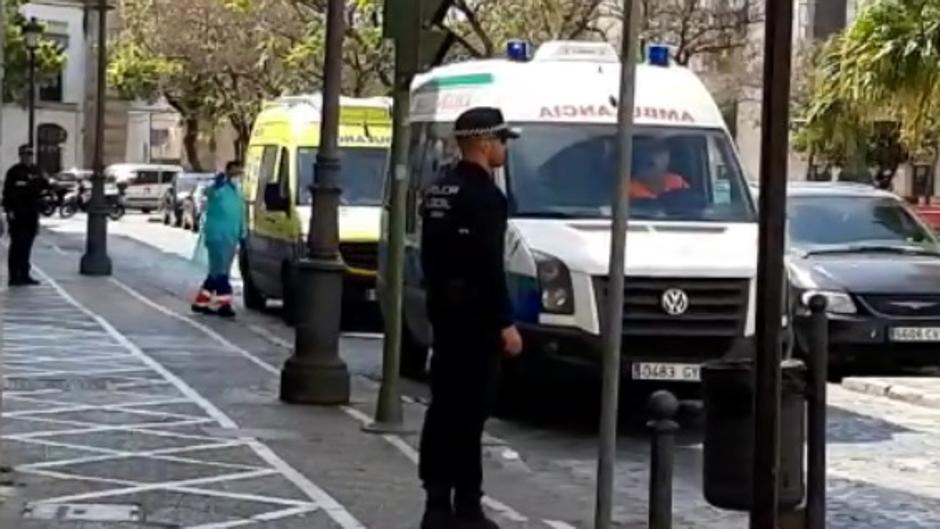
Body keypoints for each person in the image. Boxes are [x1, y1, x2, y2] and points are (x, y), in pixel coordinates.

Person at [418, 107, 524, 529]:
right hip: (476, 322)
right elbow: (488, 266)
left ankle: (436, 502)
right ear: (484, 142)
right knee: (470, 414)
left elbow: (431, 259)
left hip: (443, 315)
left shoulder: (437, 189)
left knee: (442, 409)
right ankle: (466, 507)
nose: (504, 148)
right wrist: (505, 322)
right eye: (501, 140)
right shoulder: (487, 198)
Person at [192, 161, 246, 318]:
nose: (238, 177)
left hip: (231, 237)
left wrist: (243, 234)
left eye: (240, 173)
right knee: (221, 272)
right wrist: (216, 185)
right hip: (217, 237)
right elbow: (209, 194)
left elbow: (240, 214)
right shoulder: (219, 190)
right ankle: (224, 304)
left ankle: (201, 302)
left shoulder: (237, 192)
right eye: (235, 173)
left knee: (217, 272)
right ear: (228, 174)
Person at [3, 145, 48, 286]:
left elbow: (45, 187)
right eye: (25, 154)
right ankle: (14, 276)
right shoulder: (14, 172)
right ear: (20, 156)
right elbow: (7, 193)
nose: (28, 157)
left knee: (27, 245)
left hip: (31, 212)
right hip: (17, 213)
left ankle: (24, 274)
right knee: (17, 244)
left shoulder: (36, 171)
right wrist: (9, 210)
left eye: (30, 154)